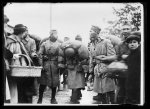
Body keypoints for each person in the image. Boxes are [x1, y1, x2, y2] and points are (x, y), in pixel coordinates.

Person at [6, 24, 34, 103]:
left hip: (20, 72)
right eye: (25, 32)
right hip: (14, 72)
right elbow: (10, 57)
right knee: (13, 91)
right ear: (21, 33)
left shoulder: (18, 41)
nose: (26, 34)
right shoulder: (12, 42)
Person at [88, 25, 116, 104]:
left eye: (91, 31)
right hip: (97, 70)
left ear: (97, 32)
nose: (90, 33)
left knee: (110, 91)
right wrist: (90, 72)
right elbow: (91, 59)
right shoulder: (91, 44)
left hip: (107, 69)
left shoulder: (106, 42)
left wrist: (103, 59)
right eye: (89, 31)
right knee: (101, 93)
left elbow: (113, 56)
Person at [37, 30, 61, 104]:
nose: (56, 36)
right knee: (43, 83)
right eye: (54, 34)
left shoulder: (59, 44)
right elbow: (40, 54)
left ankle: (53, 98)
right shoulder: (44, 44)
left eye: (57, 34)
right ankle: (40, 99)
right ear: (50, 35)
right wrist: (41, 64)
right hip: (46, 65)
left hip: (55, 65)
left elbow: (61, 55)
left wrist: (60, 64)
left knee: (54, 83)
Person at [125, 32, 141, 104]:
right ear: (128, 45)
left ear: (139, 44)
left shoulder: (140, 54)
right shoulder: (130, 54)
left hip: (138, 81)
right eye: (130, 43)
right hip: (130, 80)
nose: (132, 44)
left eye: (134, 42)